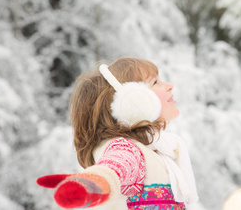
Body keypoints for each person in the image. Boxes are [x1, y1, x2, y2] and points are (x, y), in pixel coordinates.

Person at [37, 57, 198, 209]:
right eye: (155, 82)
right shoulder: (126, 149)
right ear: (131, 100)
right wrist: (95, 183)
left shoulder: (155, 150)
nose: (169, 85)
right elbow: (116, 166)